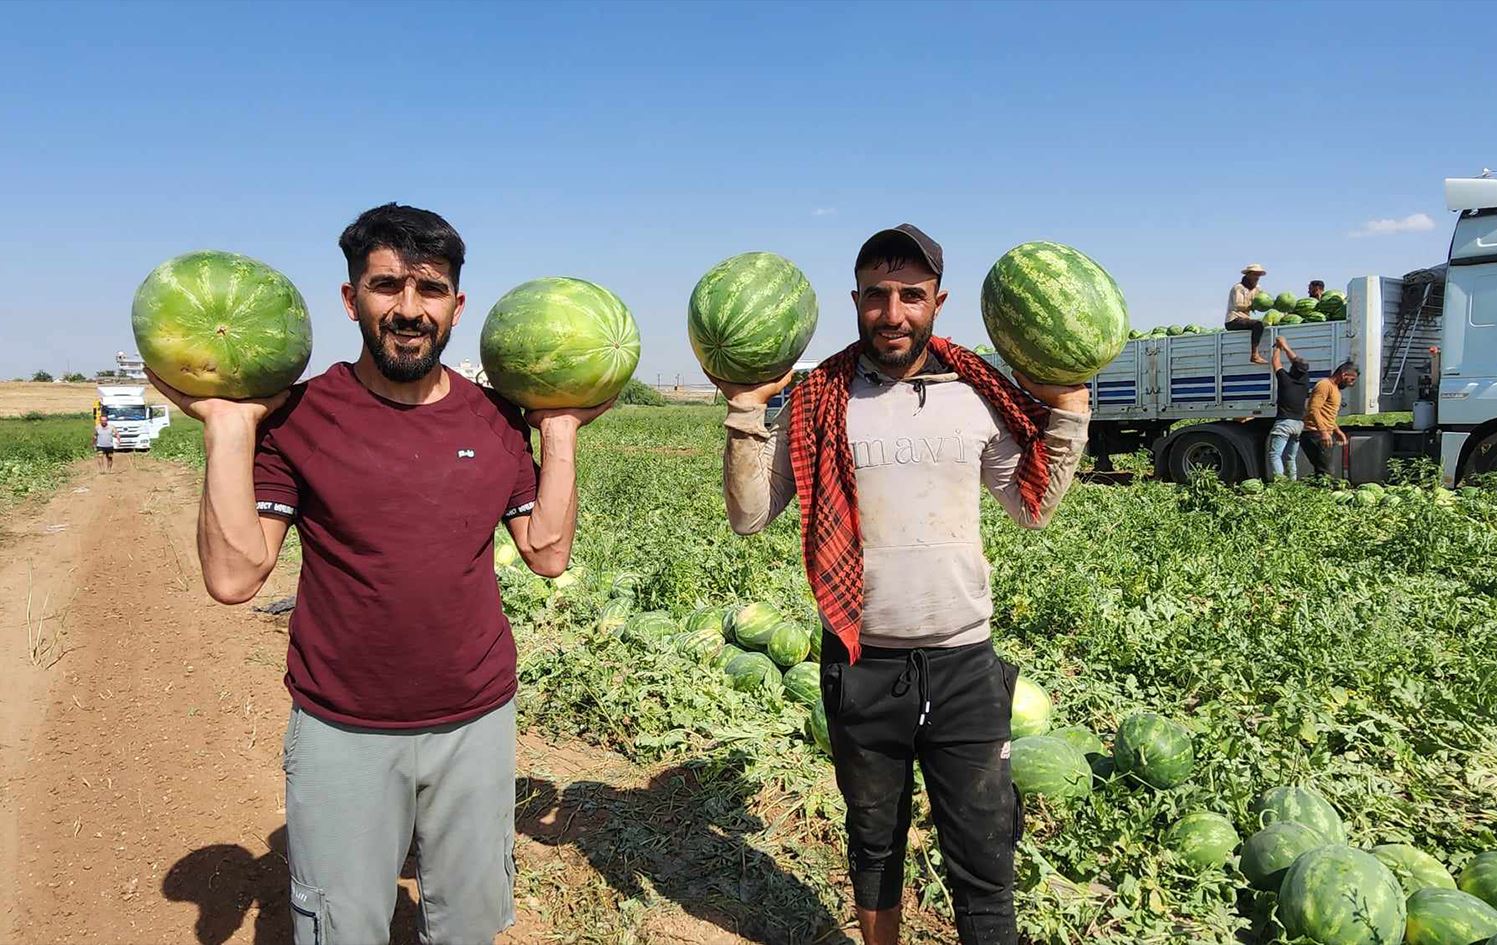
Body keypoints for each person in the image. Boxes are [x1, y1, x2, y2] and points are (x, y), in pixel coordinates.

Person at [148, 203, 612, 945]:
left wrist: (558, 431)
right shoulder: (300, 416)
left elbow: (548, 552)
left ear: (457, 307)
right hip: (342, 727)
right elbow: (236, 577)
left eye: (429, 291)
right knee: (345, 927)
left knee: (466, 924)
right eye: (386, 285)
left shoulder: (496, 419)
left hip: (477, 720)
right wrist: (229, 426)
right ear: (350, 299)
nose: (408, 309)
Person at [712, 224, 1090, 945]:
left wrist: (1070, 411)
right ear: (855, 300)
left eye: (911, 296)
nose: (893, 314)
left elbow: (1031, 507)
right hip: (863, 665)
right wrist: (742, 411)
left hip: (963, 667)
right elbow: (750, 515)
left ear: (937, 302)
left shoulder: (974, 392)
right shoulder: (820, 396)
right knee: (874, 845)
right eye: (878, 296)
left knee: (984, 859)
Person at [1304, 360, 1359, 478]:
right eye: (1352, 379)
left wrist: (1337, 431)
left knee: (1324, 471)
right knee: (1326, 472)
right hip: (1316, 433)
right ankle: (1322, 494)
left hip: (1324, 433)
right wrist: (1323, 432)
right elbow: (1313, 409)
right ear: (1344, 374)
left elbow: (1328, 415)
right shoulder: (1324, 385)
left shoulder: (1335, 389)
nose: (1351, 384)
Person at [1267, 337, 1309, 479]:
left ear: (1292, 369)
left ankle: (1280, 483)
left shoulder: (1286, 380)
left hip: (1285, 423)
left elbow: (1275, 363)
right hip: (1298, 424)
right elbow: (1297, 363)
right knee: (1290, 458)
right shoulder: (1304, 381)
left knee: (1275, 454)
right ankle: (1292, 483)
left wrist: (1277, 347)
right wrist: (1285, 346)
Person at [1226, 263, 1269, 364]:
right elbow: (1238, 305)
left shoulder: (1257, 288)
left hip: (1245, 319)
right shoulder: (1239, 288)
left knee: (1263, 324)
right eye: (1255, 274)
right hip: (1233, 320)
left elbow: (1264, 299)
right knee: (1258, 324)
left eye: (1258, 275)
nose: (1257, 277)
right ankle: (1254, 355)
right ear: (1248, 275)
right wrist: (1253, 306)